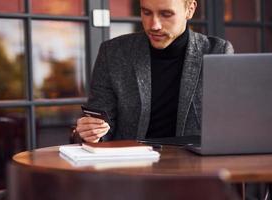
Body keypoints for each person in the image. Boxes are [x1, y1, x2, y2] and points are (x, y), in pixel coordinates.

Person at [74, 0, 234, 143]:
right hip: (131, 167)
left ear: (190, 9)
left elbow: (228, 125)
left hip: (195, 167)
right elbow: (100, 123)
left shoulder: (217, 51)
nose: (154, 25)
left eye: (166, 14)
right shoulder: (113, 52)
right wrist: (92, 133)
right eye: (146, 12)